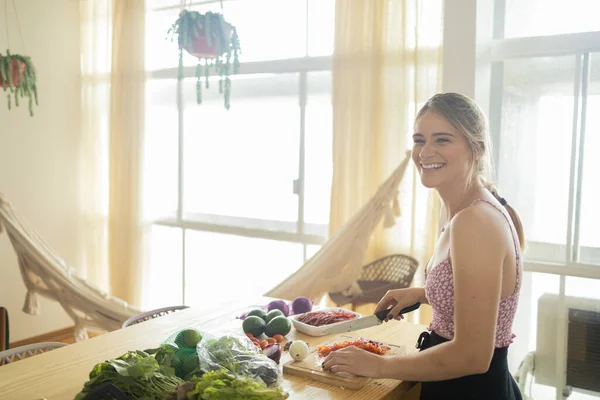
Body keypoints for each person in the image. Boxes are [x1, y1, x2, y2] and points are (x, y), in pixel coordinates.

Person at [322, 93, 525, 400]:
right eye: (420, 139)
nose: (425, 152)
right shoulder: (468, 211)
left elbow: (473, 355)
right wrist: (425, 294)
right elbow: (485, 300)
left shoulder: (475, 222)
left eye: (442, 140)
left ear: (476, 149)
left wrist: (378, 365)